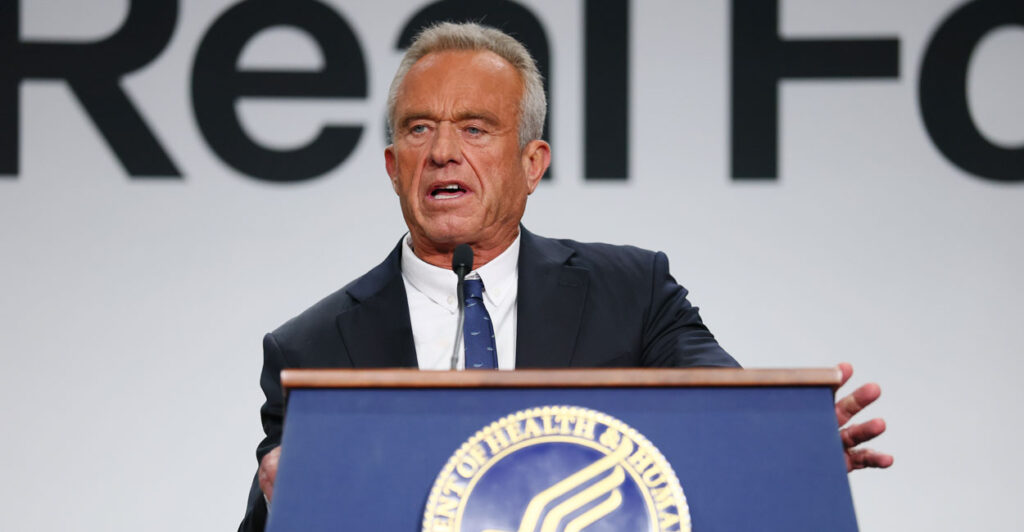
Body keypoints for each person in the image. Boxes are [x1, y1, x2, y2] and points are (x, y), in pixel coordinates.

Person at [238, 22, 892, 531]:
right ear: (390, 164)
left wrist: (786, 448)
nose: (442, 152)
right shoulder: (313, 347)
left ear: (532, 162)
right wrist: (282, 502)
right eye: (419, 129)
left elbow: (715, 402)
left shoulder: (633, 293)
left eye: (474, 128)